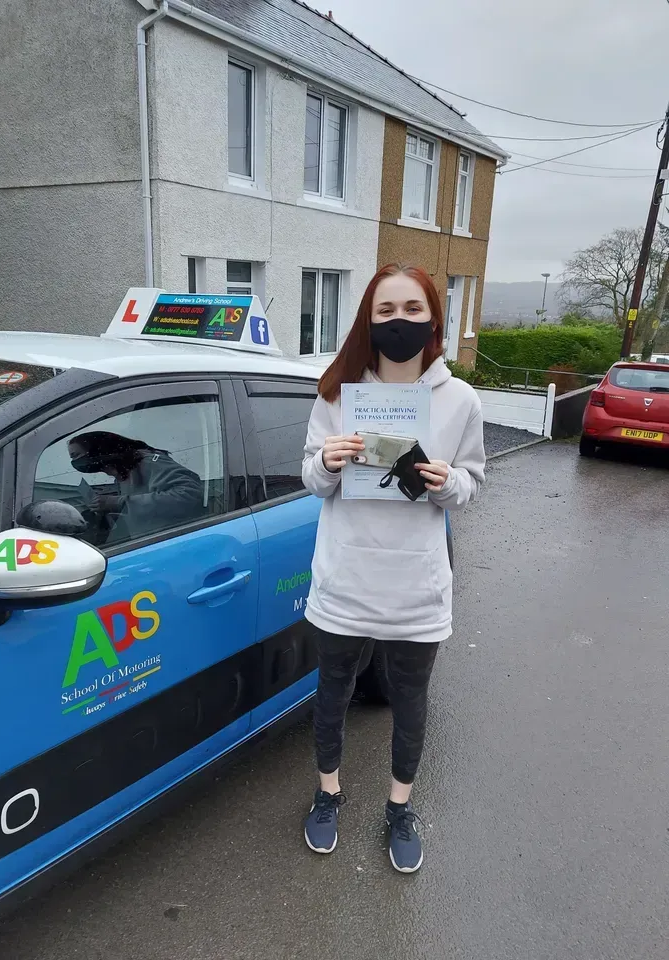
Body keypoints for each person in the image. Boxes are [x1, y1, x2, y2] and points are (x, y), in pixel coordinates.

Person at [301, 263, 486, 873]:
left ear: (433, 319)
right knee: (333, 690)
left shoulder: (459, 400)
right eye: (385, 310)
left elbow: (472, 482)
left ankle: (399, 806)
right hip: (345, 578)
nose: (398, 321)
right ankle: (328, 793)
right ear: (368, 318)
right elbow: (312, 479)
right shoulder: (336, 393)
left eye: (412, 310)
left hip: (416, 585)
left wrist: (447, 481)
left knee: (410, 700)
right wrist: (326, 462)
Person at [67, 431, 204, 542]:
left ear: (96, 450)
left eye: (76, 455)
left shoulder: (149, 463)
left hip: (176, 543)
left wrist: (119, 503)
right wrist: (106, 510)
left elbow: (190, 494)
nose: (75, 462)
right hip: (150, 545)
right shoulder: (124, 473)